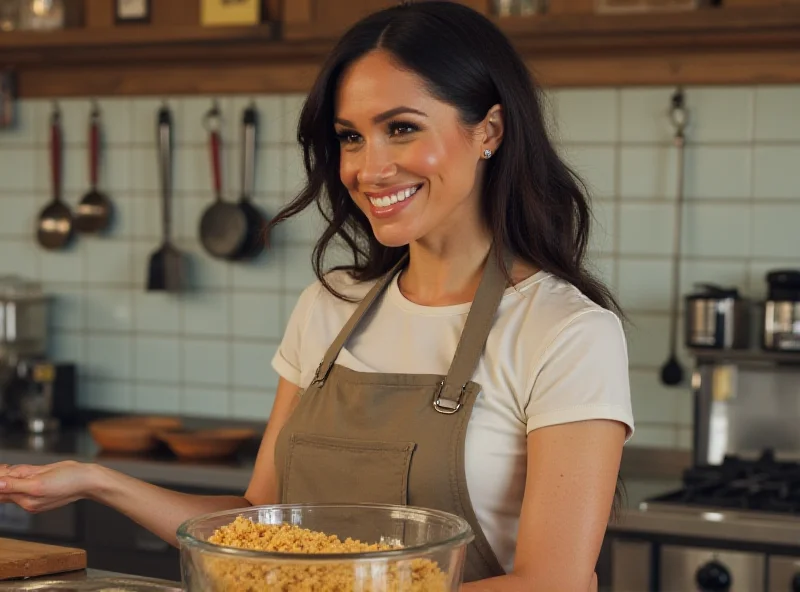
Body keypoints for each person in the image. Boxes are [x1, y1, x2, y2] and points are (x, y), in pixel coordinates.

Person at [0, 2, 634, 590]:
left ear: (488, 129)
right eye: (350, 137)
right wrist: (98, 482)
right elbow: (254, 525)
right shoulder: (330, 307)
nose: (367, 168)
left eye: (402, 128)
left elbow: (555, 583)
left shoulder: (565, 330)